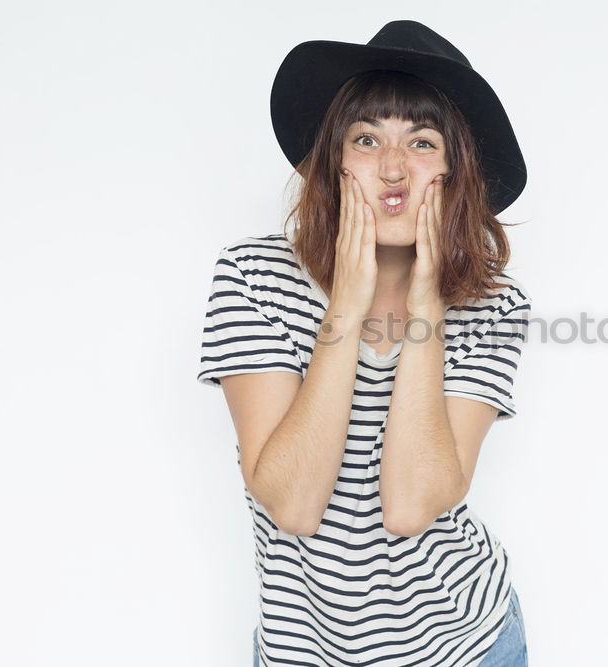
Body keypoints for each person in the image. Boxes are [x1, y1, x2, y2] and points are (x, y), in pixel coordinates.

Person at [196, 21, 532, 666]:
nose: (395, 169)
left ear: (457, 171)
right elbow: (293, 503)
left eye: (424, 142)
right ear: (335, 159)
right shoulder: (252, 277)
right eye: (368, 137)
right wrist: (346, 308)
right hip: (304, 651)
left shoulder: (494, 306)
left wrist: (426, 305)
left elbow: (410, 504)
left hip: (467, 644)